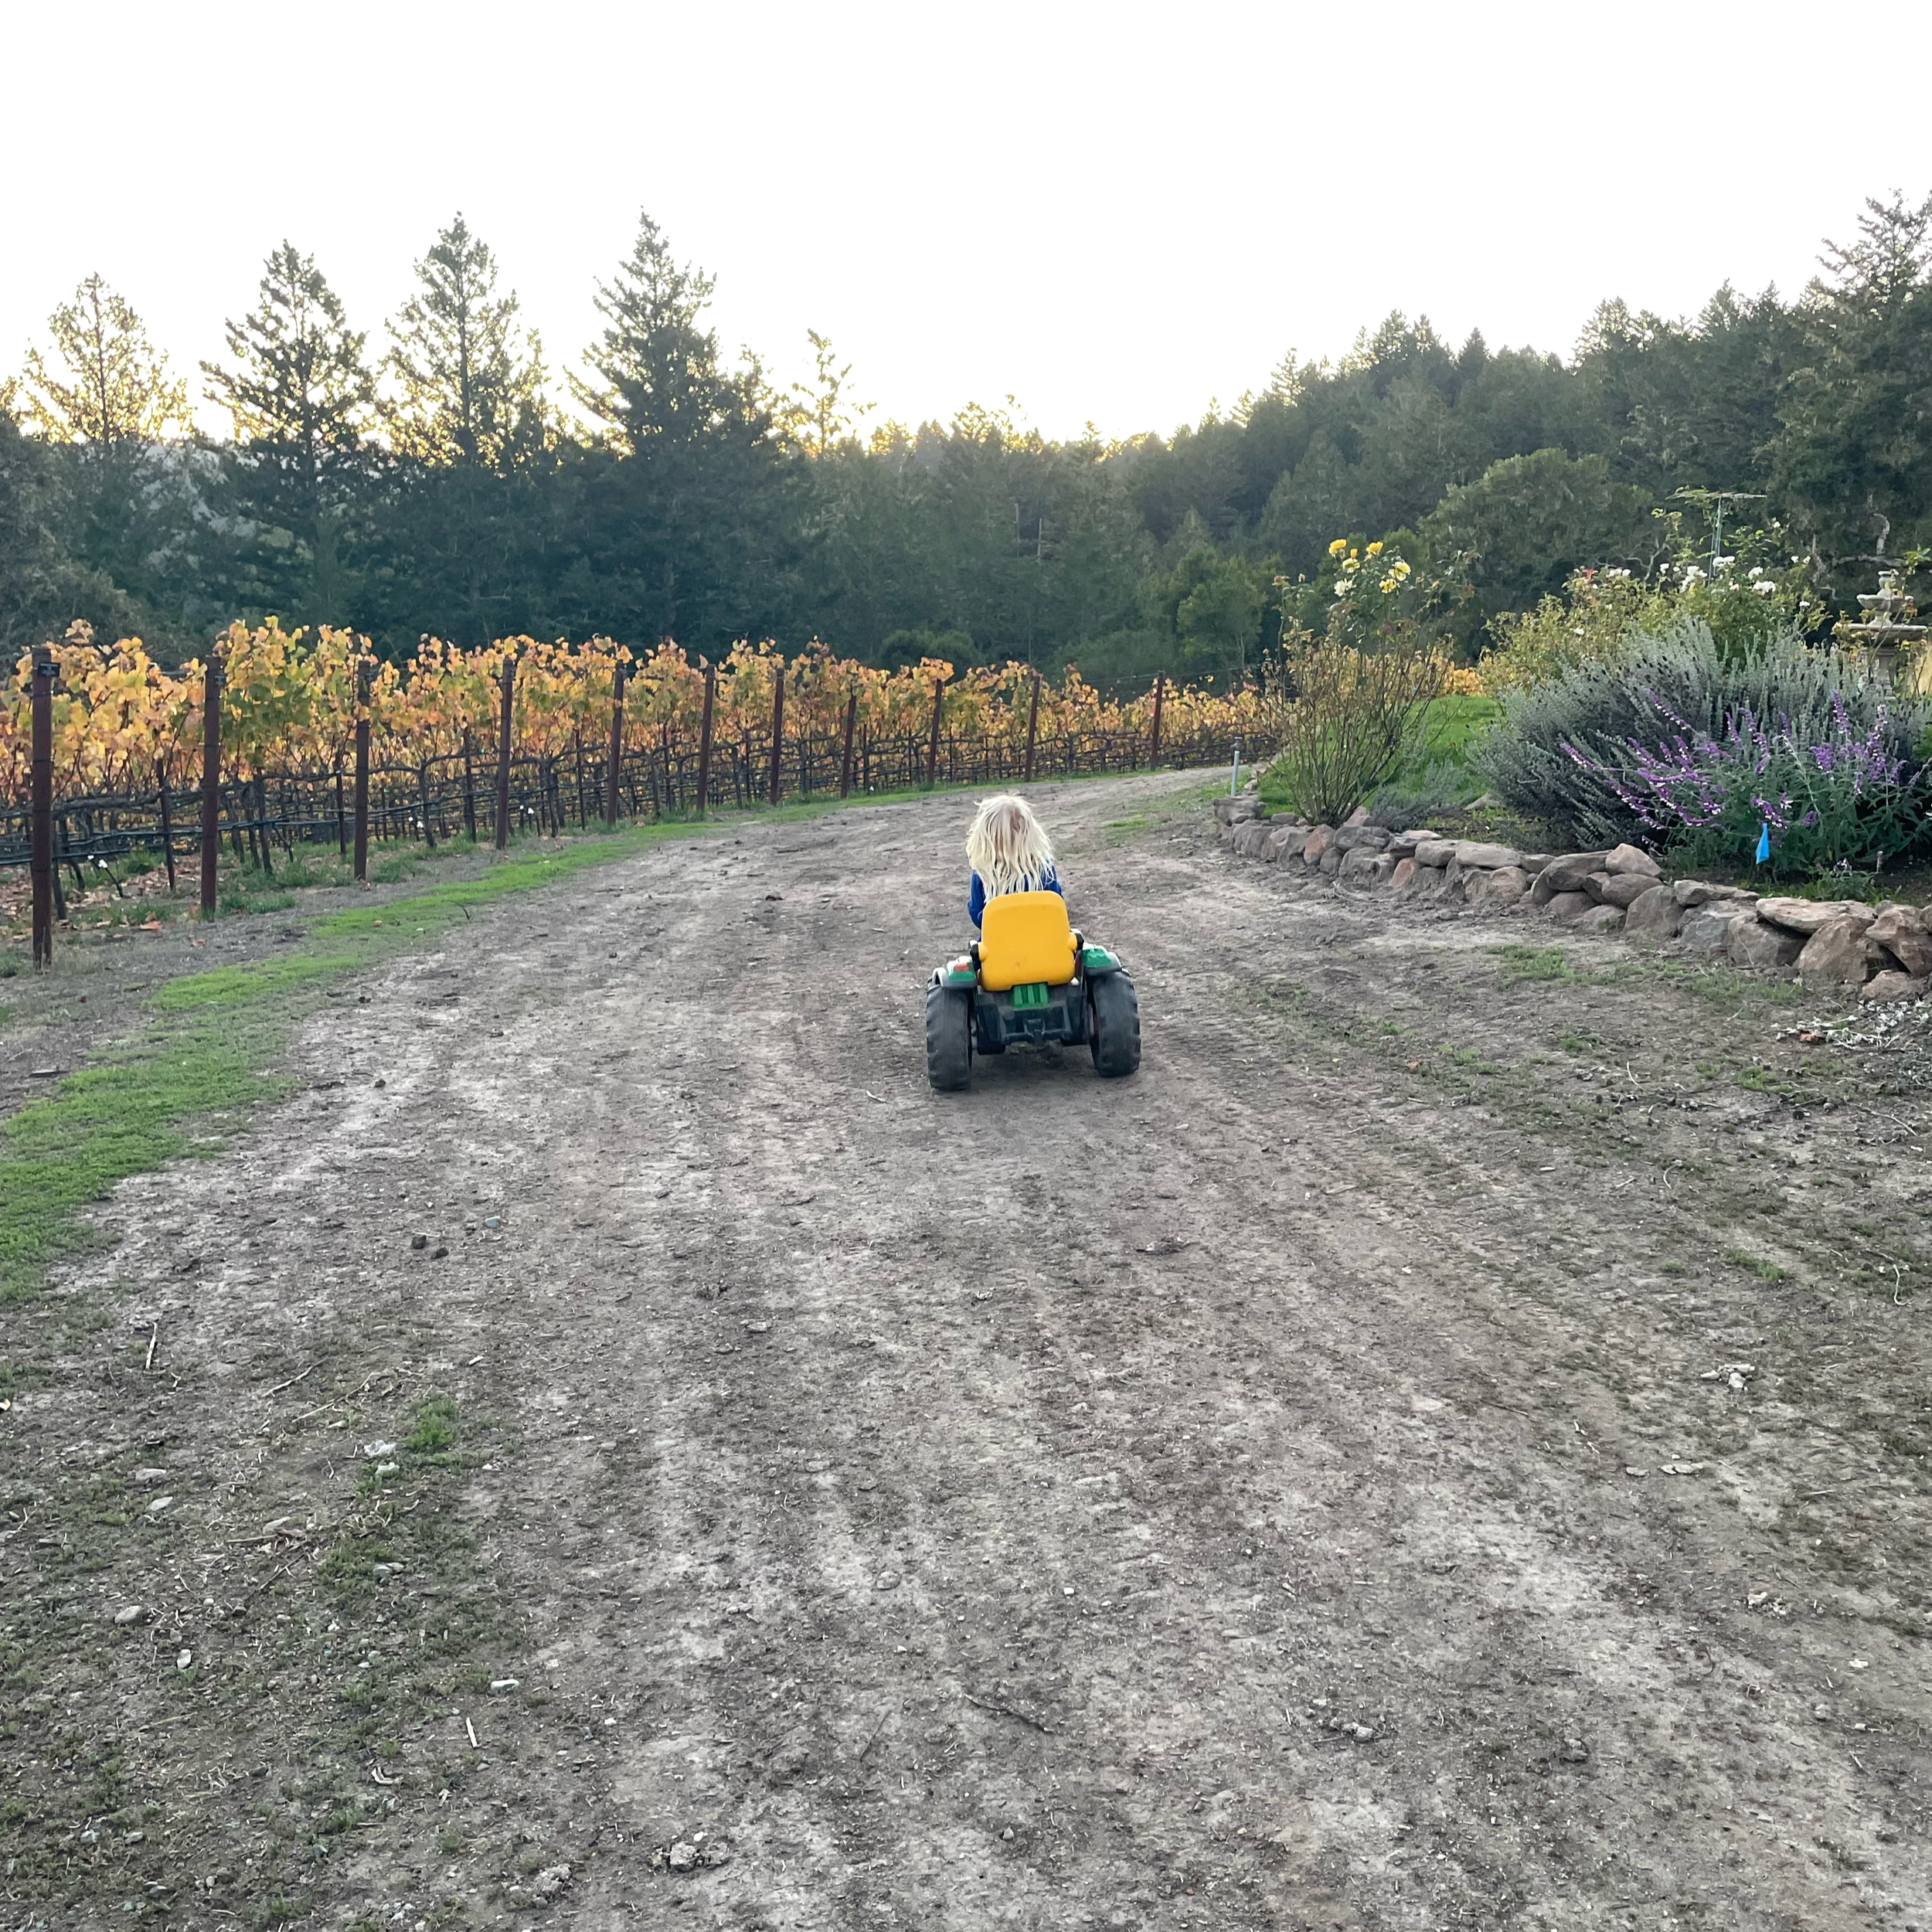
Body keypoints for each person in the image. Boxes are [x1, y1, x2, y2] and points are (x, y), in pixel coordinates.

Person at [965, 793, 1063, 930]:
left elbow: (977, 916)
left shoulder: (983, 874)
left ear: (986, 838)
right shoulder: (1044, 870)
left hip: (998, 948)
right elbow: (1057, 907)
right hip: (1042, 946)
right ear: (1030, 833)